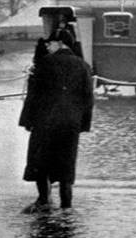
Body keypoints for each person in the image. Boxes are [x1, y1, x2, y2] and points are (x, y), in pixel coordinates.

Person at [19, 28, 94, 213]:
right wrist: (83, 124)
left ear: (60, 43)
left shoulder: (44, 64)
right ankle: (67, 207)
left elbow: (33, 96)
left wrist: (27, 121)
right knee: (67, 166)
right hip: (70, 125)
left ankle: (44, 202)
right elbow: (88, 99)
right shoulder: (83, 66)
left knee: (40, 164)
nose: (47, 46)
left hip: (45, 123)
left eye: (50, 43)